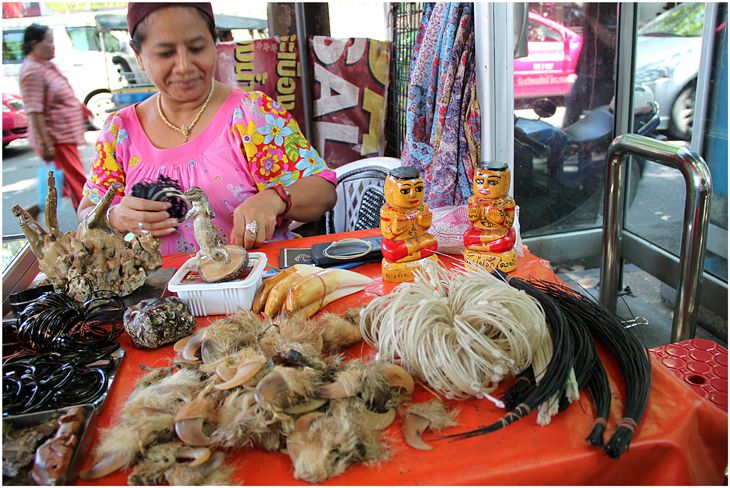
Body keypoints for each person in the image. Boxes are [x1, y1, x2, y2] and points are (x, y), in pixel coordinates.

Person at [77, 3, 337, 256]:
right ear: (139, 57)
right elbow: (86, 214)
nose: (184, 65)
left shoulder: (251, 115)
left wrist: (276, 198)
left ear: (214, 44)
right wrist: (115, 216)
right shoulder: (120, 132)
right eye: (165, 53)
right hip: (158, 297)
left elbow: (323, 191)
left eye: (197, 47)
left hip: (258, 290)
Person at [19, 23, 90, 209]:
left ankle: (37, 209)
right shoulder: (32, 71)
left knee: (68, 181)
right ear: (34, 44)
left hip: (65, 137)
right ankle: (91, 224)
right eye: (49, 42)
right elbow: (34, 111)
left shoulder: (45, 66)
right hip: (56, 140)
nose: (53, 47)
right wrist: (45, 143)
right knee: (79, 184)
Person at [379, 166, 438, 282]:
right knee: (390, 251)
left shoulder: (422, 207)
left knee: (433, 243)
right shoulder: (388, 211)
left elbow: (424, 230)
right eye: (405, 191)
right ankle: (415, 255)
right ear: (389, 190)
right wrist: (395, 230)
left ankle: (407, 257)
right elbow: (386, 234)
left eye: (419, 189)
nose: (413, 195)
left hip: (417, 241)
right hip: (399, 244)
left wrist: (424, 223)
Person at [462, 161, 516, 272]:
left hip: (500, 232)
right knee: (467, 237)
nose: (484, 186)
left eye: (492, 182)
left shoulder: (507, 202)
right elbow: (473, 222)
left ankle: (478, 247)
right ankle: (490, 244)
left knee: (506, 240)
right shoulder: (474, 200)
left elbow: (509, 224)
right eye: (480, 181)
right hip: (481, 232)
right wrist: (474, 214)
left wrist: (501, 220)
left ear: (505, 183)